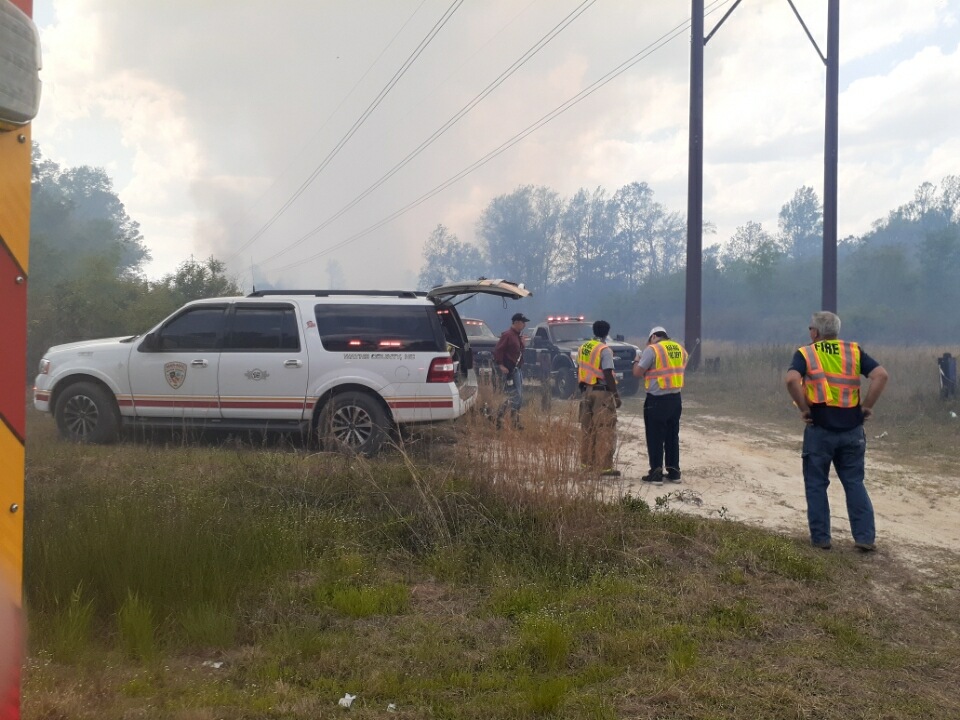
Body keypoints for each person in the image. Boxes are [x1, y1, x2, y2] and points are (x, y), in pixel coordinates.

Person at [785, 311, 888, 552]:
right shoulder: (853, 350)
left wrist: (804, 409)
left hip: (820, 428)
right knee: (854, 482)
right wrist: (867, 407)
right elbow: (881, 375)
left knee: (816, 484)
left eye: (810, 328)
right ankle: (865, 538)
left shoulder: (806, 352)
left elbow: (791, 380)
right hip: (852, 429)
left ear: (815, 332)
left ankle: (821, 540)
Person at [632, 325, 688, 485]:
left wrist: (637, 360)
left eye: (649, 340)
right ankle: (674, 472)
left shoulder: (653, 350)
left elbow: (637, 373)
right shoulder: (680, 349)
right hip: (676, 399)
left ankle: (656, 473)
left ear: (654, 336)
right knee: (672, 435)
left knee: (655, 436)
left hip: (657, 400)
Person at [578, 320, 622, 477]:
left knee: (587, 430)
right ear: (607, 332)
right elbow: (608, 373)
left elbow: (581, 368)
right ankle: (605, 468)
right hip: (601, 393)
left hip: (586, 392)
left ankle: (586, 465)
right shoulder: (604, 350)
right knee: (605, 429)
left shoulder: (584, 347)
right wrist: (615, 395)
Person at [492, 312, 529, 429]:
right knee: (515, 396)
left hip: (517, 369)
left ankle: (515, 421)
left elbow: (518, 352)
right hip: (510, 370)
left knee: (519, 396)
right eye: (523, 323)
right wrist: (501, 365)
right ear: (517, 322)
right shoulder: (507, 335)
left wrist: (523, 344)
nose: (524, 325)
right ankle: (499, 417)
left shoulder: (517, 336)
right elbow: (498, 350)